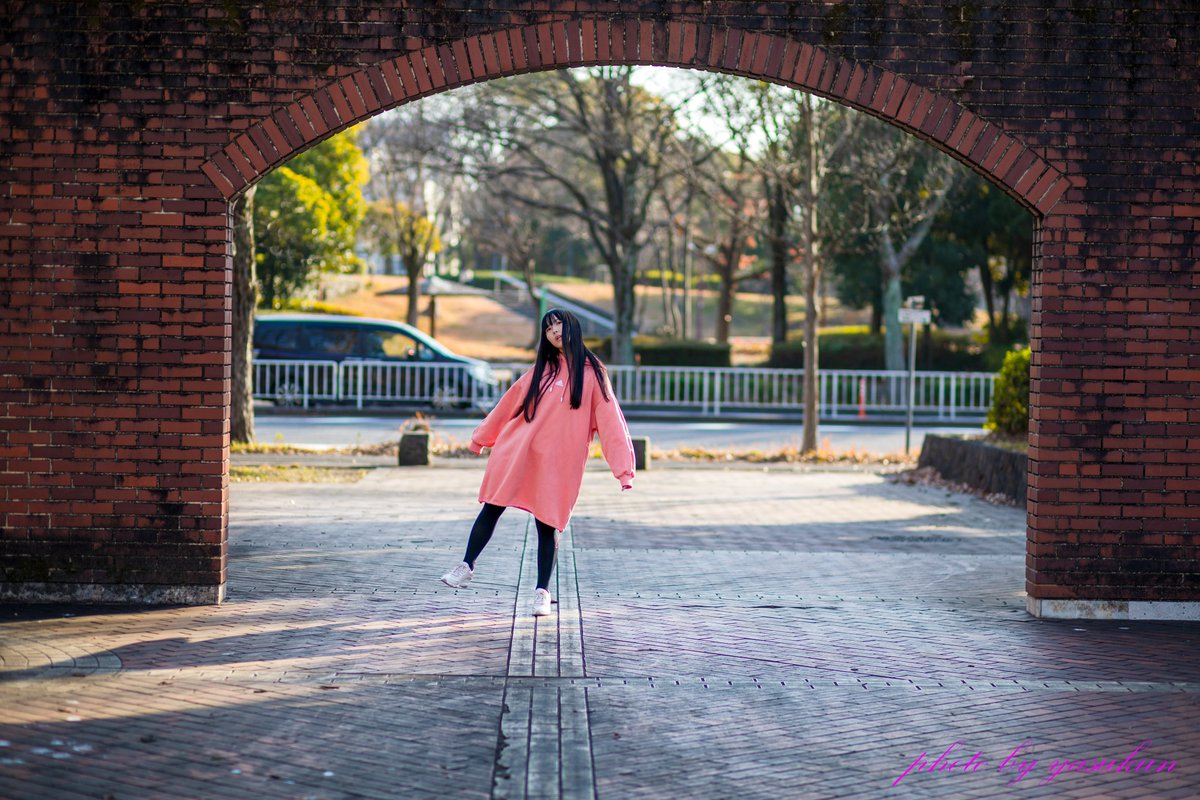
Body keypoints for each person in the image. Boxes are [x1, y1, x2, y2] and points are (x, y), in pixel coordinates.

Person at [440, 308, 635, 617]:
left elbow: (612, 423)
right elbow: (507, 406)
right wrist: (481, 438)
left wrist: (623, 470)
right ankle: (466, 566)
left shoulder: (593, 374)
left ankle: (542, 592)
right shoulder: (540, 371)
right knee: (492, 505)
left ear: (573, 326)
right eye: (548, 328)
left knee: (548, 523)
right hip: (518, 452)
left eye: (559, 323)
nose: (555, 330)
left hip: (559, 463)